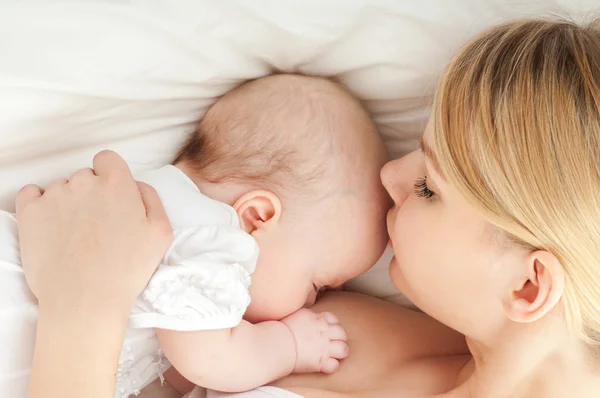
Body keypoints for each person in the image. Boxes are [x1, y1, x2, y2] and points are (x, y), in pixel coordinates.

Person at [180, 17, 600, 398]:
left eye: (427, 187)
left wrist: (109, 301)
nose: (388, 175)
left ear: (529, 287)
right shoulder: (323, 327)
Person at [0, 74, 389, 397]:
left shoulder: (162, 211)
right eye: (317, 284)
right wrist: (289, 346)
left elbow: (161, 362)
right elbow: (210, 361)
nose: (310, 303)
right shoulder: (214, 237)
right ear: (258, 216)